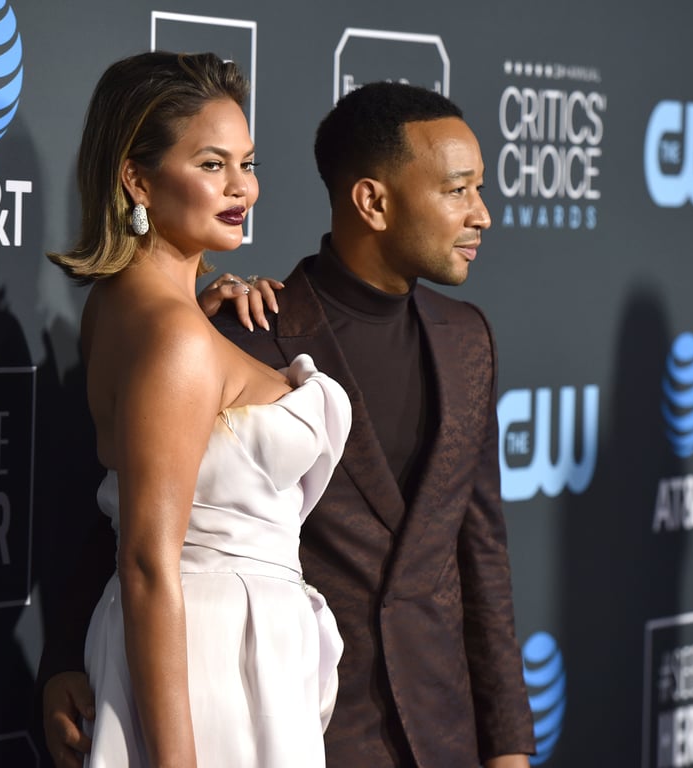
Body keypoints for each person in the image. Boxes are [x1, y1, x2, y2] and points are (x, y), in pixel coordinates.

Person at [41, 80, 535, 767]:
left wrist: (509, 748)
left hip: (440, 731)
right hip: (279, 714)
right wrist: (63, 658)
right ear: (373, 201)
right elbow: (131, 517)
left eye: (247, 164)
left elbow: (481, 558)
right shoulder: (241, 330)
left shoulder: (467, 340)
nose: (481, 214)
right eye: (458, 190)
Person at [44, 51, 352, 768]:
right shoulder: (177, 339)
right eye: (211, 165)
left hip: (205, 649)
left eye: (246, 162)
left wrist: (204, 328)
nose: (242, 187)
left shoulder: (126, 311)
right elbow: (149, 563)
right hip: (211, 663)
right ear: (137, 177)